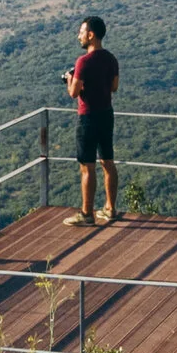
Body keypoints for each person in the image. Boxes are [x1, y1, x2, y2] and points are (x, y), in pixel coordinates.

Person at [64, 15, 121, 226]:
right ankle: (110, 208)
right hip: (107, 114)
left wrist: (70, 79)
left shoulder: (83, 62)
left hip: (88, 117)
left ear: (91, 34)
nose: (79, 36)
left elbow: (73, 92)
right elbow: (114, 87)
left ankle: (87, 214)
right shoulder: (111, 59)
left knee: (87, 166)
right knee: (108, 161)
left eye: (81, 32)